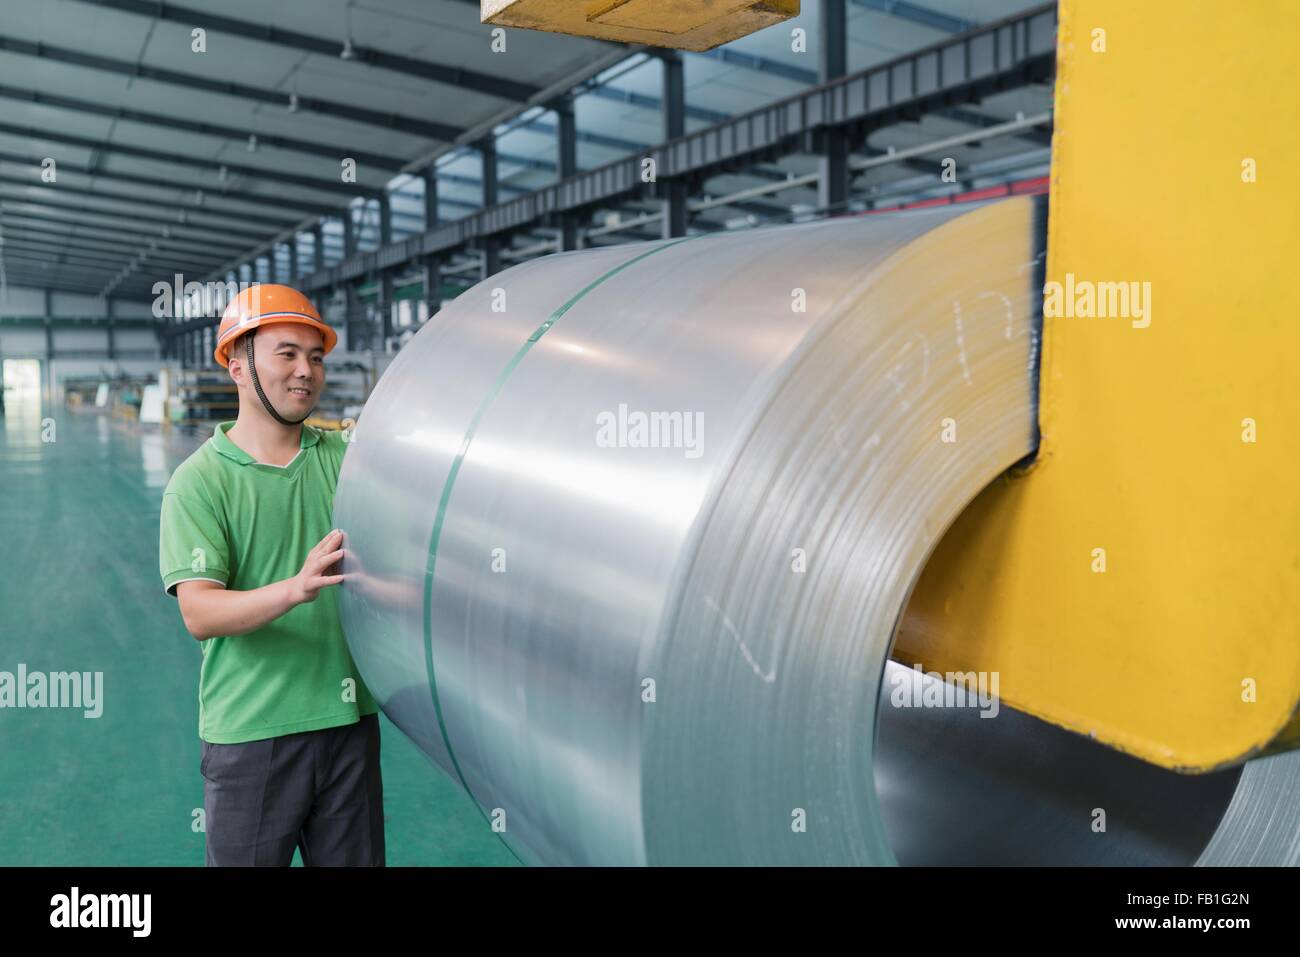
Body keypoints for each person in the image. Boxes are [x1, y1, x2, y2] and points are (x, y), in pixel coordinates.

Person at [158, 284, 384, 866]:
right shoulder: (200, 481)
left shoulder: (346, 457)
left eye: (316, 356)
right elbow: (200, 613)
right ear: (238, 365)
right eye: (287, 354)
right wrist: (297, 588)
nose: (306, 371)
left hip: (346, 723)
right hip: (253, 734)